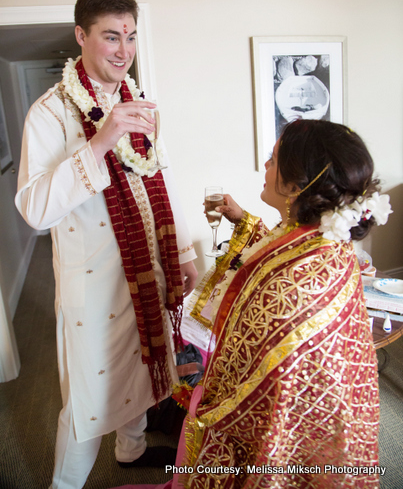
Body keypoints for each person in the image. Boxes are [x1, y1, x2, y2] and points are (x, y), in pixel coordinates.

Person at [114, 119, 391, 489]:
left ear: (296, 186)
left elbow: (260, 359)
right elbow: (276, 248)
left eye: (273, 159)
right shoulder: (313, 235)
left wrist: (211, 401)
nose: (265, 166)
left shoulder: (304, 272)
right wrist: (243, 220)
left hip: (289, 426)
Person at [15, 0, 198, 489]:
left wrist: (180, 253)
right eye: (112, 37)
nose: (125, 51)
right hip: (92, 281)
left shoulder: (136, 99)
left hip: (146, 268)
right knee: (90, 394)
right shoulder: (48, 113)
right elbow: (33, 210)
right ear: (81, 35)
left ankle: (131, 448)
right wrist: (101, 140)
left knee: (145, 368)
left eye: (132, 37)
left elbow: (164, 177)